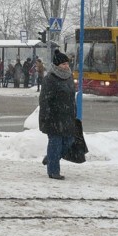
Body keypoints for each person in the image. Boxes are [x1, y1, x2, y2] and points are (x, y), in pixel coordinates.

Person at [38, 49, 77, 180]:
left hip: (68, 116)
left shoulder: (69, 77)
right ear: (56, 65)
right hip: (54, 117)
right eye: (63, 64)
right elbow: (44, 100)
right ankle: (53, 171)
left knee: (69, 142)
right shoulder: (50, 79)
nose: (66, 66)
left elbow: (72, 97)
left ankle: (50, 158)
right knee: (55, 143)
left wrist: (74, 113)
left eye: (67, 63)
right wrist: (46, 116)